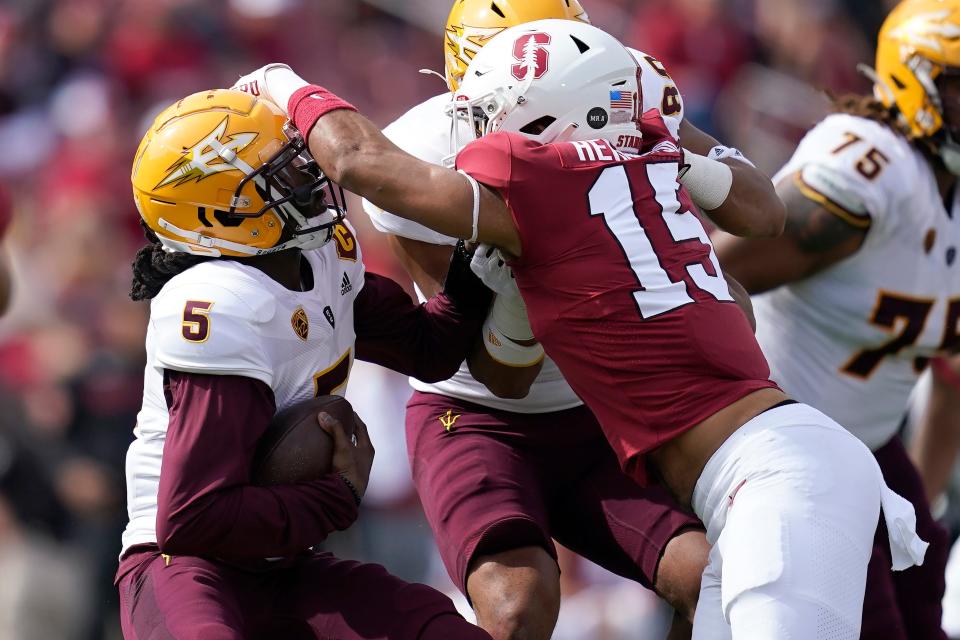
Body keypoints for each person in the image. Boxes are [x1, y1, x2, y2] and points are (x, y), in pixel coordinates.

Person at [236, 18, 929, 639]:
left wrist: (282, 84)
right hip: (771, 452)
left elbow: (362, 162)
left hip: (766, 475)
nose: (482, 121)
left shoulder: (541, 182)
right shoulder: (647, 162)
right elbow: (734, 279)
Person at [336, 0, 777, 637]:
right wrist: (535, 272)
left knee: (710, 577)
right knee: (518, 607)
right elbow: (490, 366)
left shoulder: (623, 98)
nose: (573, 96)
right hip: (479, 414)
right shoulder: (424, 148)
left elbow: (762, 213)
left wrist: (676, 161)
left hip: (601, 406)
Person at [116, 89, 495, 640]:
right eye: (279, 175)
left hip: (285, 563)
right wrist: (334, 495)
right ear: (224, 212)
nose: (308, 179)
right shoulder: (220, 302)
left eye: (297, 160)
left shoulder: (319, 253)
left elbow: (427, 348)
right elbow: (192, 518)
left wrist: (484, 254)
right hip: (183, 565)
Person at [711, 1, 960, 638]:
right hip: (783, 448)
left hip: (872, 449)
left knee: (922, 587)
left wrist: (917, 508)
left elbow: (954, 378)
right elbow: (703, 279)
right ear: (917, 80)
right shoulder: (871, 173)